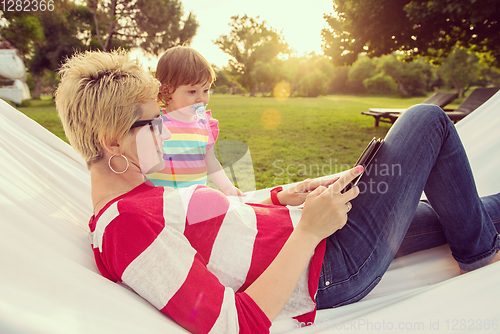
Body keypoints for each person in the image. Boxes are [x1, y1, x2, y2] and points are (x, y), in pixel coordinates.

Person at [55, 50, 500, 334]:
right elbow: (235, 324)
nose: (169, 131)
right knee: (427, 120)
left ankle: (476, 235)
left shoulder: (142, 191)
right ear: (112, 140)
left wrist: (286, 196)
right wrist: (307, 232)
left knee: (458, 209)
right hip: (332, 266)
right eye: (154, 124)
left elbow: (221, 220)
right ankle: (479, 252)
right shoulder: (125, 227)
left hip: (323, 236)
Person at [146, 46, 244, 196]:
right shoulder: (155, 123)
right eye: (192, 91)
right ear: (167, 91)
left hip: (194, 202)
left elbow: (210, 162)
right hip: (161, 202)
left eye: (205, 90)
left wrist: (229, 189)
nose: (201, 99)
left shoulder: (205, 124)